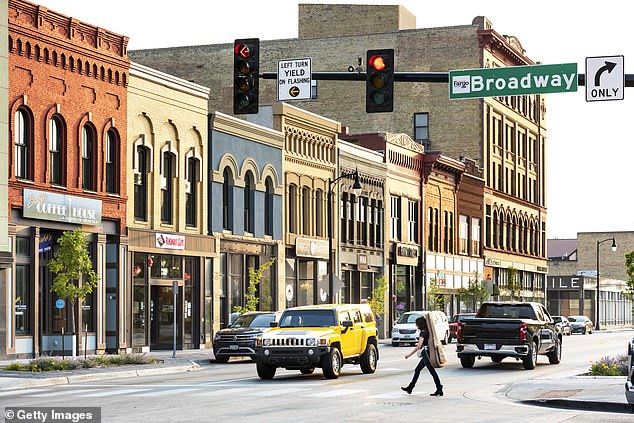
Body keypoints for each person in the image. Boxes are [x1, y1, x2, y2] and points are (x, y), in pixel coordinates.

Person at [401, 316, 443, 396]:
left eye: (416, 324)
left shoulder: (423, 333)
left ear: (420, 324)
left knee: (432, 372)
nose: (416, 325)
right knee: (417, 370)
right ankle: (410, 388)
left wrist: (409, 355)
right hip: (428, 353)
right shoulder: (428, 331)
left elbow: (419, 346)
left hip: (426, 355)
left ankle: (439, 389)